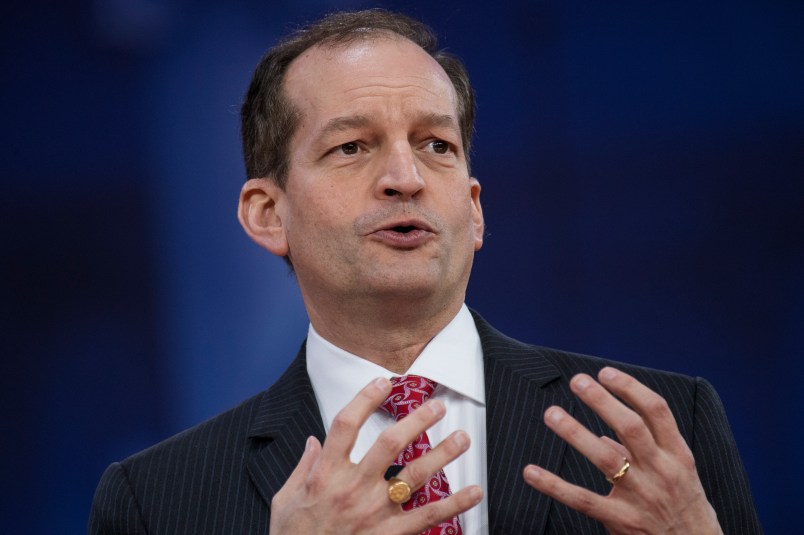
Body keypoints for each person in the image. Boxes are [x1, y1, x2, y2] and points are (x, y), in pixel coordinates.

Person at [89, 9, 762, 535]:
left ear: (473, 209)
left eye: (436, 145)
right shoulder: (154, 499)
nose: (405, 178)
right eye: (352, 146)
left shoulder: (663, 432)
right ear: (268, 212)